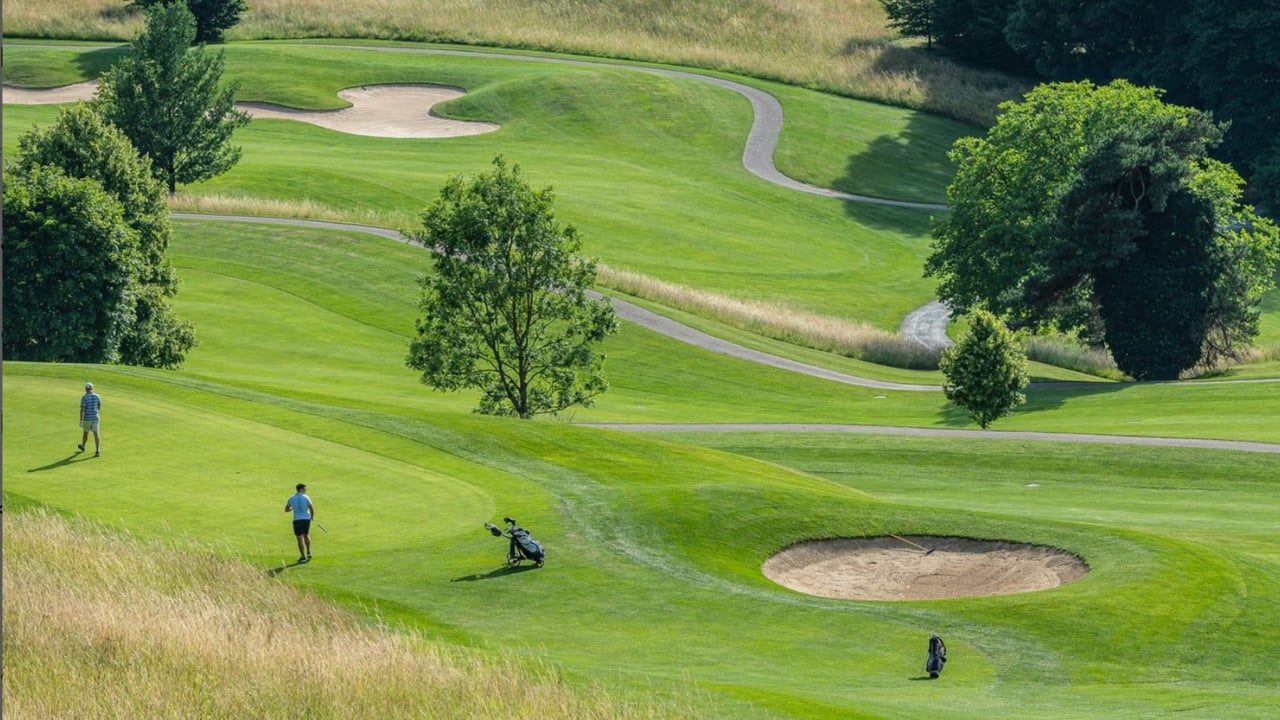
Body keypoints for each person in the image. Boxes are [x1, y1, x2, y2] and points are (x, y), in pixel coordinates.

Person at [285, 483, 315, 563]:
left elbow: (286, 509)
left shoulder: (291, 498)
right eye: (305, 489)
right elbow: (311, 508)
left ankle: (302, 556)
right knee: (306, 535)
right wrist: (312, 516)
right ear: (301, 489)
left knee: (299, 538)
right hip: (306, 519)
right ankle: (309, 552)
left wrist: (292, 508)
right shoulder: (306, 497)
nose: (306, 490)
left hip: (297, 520)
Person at [78, 382, 102, 457]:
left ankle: (83, 446)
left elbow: (82, 409)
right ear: (92, 389)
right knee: (96, 433)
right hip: (95, 417)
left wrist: (81, 420)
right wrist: (97, 411)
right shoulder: (97, 396)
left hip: (87, 418)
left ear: (86, 389)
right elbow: (99, 405)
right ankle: (97, 449)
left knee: (85, 433)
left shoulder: (84, 397)